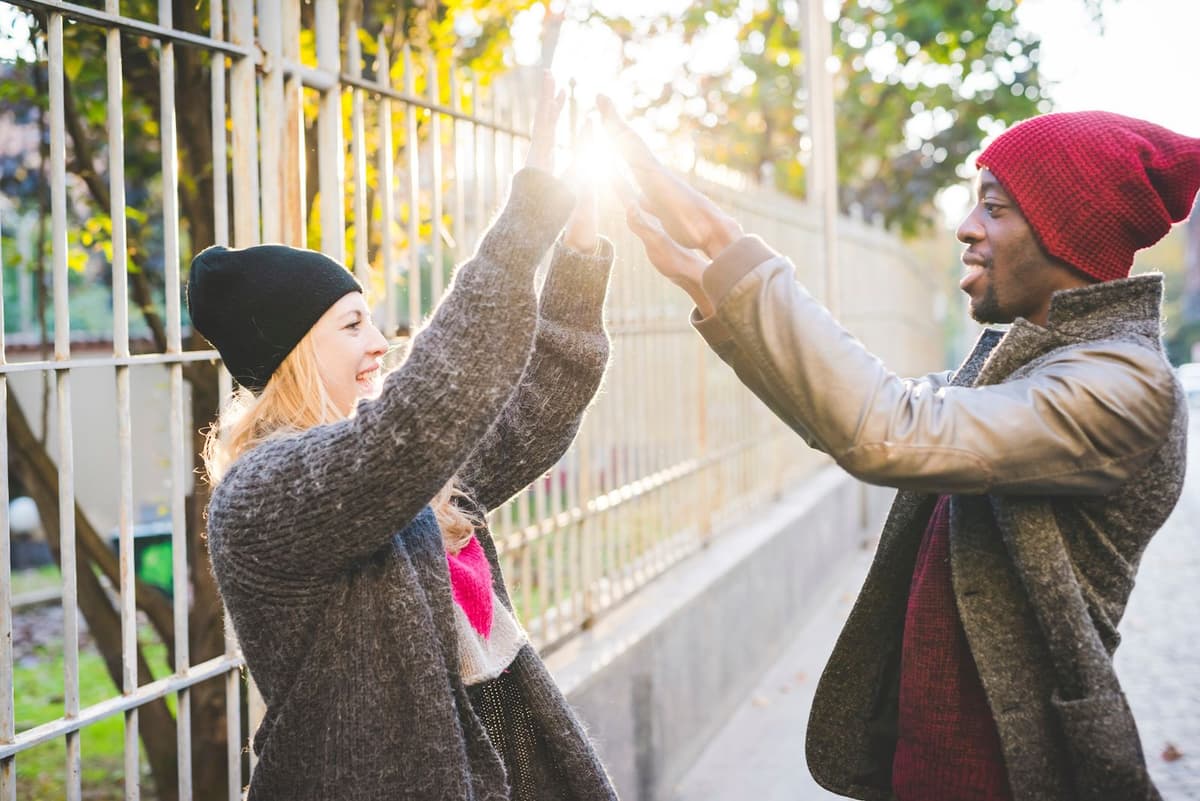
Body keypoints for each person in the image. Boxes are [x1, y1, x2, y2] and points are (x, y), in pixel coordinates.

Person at [599, 98, 1199, 801]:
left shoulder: (1123, 386)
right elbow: (860, 407)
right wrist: (716, 284)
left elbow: (888, 428)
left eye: (996, 209)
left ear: (1068, 234)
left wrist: (725, 240)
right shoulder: (1031, 369)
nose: (966, 228)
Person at [188, 77, 619, 801]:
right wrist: (523, 223)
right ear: (294, 352)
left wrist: (577, 250)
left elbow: (529, 415)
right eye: (352, 324)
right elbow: (420, 420)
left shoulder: (383, 475)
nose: (379, 342)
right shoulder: (264, 493)